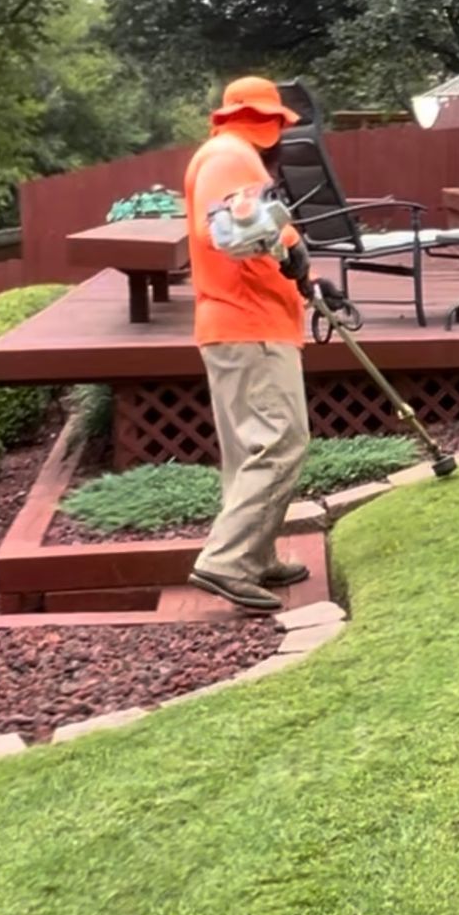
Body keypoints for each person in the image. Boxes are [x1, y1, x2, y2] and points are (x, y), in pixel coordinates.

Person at [182, 75, 339, 612]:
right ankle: (226, 563)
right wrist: (290, 245)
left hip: (236, 322)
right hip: (251, 326)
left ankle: (258, 554)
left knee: (248, 450)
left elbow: (242, 228)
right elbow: (226, 231)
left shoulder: (221, 151)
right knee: (283, 442)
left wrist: (305, 278)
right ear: (271, 122)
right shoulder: (232, 157)